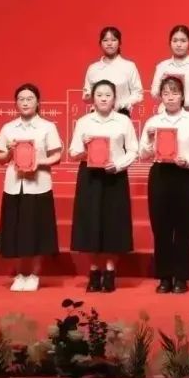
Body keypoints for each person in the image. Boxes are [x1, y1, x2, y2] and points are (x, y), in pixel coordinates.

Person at [139, 76, 189, 294]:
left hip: (185, 175)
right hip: (160, 175)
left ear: (182, 96)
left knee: (184, 227)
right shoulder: (153, 122)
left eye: (175, 93)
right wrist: (149, 139)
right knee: (161, 227)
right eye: (166, 93)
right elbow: (143, 155)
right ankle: (164, 277)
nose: (170, 97)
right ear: (160, 96)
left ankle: (181, 277)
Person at [69, 79, 139, 293]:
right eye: (99, 95)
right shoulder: (84, 122)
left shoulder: (123, 121)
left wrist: (117, 165)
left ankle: (109, 271)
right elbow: (73, 152)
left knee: (113, 224)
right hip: (89, 177)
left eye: (108, 95)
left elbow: (133, 150)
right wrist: (85, 149)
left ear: (114, 99)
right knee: (90, 223)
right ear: (93, 98)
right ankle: (93, 271)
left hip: (114, 177)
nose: (103, 99)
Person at [0, 84, 62, 291]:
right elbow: (0, 159)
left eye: (29, 99)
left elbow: (57, 155)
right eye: (21, 99)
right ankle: (20, 274)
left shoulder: (47, 127)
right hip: (14, 186)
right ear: (16, 103)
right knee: (15, 231)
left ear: (38, 102)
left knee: (36, 231)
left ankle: (34, 274)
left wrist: (38, 162)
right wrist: (9, 151)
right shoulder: (8, 128)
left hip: (38, 185)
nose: (25, 103)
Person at [150, 24, 189, 115]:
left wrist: (182, 103)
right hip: (166, 115)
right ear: (170, 43)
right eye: (175, 41)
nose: (178, 45)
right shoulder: (162, 66)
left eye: (183, 41)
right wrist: (161, 84)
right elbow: (154, 93)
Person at [81, 27, 144, 115]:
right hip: (96, 116)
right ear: (100, 43)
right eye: (105, 40)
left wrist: (121, 105)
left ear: (119, 43)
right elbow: (86, 97)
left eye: (113, 40)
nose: (109, 43)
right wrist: (88, 96)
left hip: (121, 114)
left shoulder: (129, 66)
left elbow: (138, 94)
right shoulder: (93, 68)